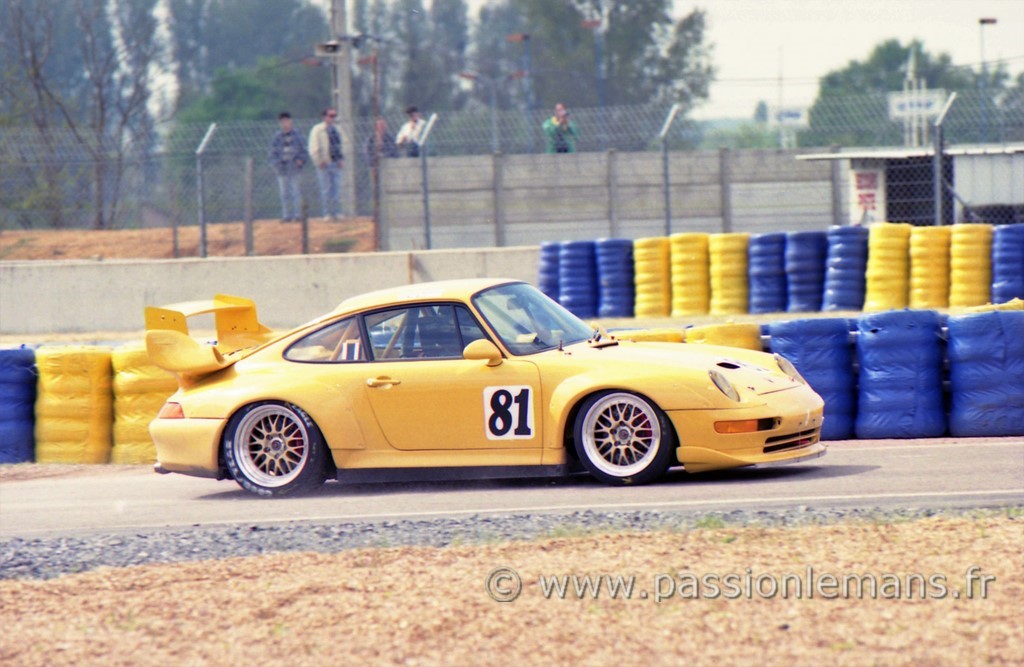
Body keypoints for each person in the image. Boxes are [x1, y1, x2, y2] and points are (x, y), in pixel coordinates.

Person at [267, 112, 309, 222]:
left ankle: (298, 215)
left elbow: (304, 151)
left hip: (294, 168)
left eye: (287, 120)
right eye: (283, 121)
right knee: (284, 193)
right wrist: (276, 165)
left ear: (291, 121)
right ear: (280, 123)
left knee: (296, 191)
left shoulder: (298, 136)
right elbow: (272, 153)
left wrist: (301, 160)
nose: (285, 123)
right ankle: (286, 215)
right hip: (282, 169)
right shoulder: (277, 137)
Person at [308, 107, 345, 219]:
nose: (333, 118)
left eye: (334, 115)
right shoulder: (317, 130)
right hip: (324, 163)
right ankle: (327, 213)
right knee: (325, 189)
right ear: (325, 117)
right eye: (331, 115)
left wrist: (342, 159)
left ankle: (337, 212)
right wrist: (319, 161)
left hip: (336, 163)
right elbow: (313, 147)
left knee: (337, 189)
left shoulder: (338, 129)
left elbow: (344, 144)